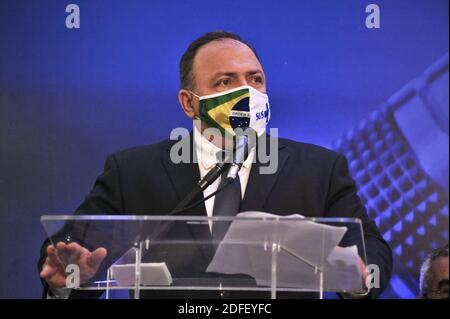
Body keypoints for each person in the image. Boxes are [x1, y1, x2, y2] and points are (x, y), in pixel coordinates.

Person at [38, 31, 392, 299]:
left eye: (255, 79)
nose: (246, 92)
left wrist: (361, 277)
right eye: (226, 81)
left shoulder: (320, 169)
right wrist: (70, 277)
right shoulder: (132, 172)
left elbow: (372, 252)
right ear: (189, 104)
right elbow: (69, 249)